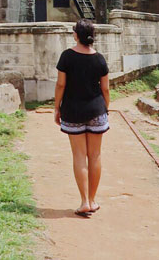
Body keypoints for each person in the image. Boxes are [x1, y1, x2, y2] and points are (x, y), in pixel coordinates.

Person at [54, 19, 110, 217]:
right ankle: (93, 200)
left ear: (76, 35)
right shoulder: (100, 59)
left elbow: (61, 85)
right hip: (97, 111)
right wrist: (105, 108)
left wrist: (56, 108)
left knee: (79, 156)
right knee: (95, 155)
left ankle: (84, 201)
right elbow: (105, 88)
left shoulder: (67, 57)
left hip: (73, 111)